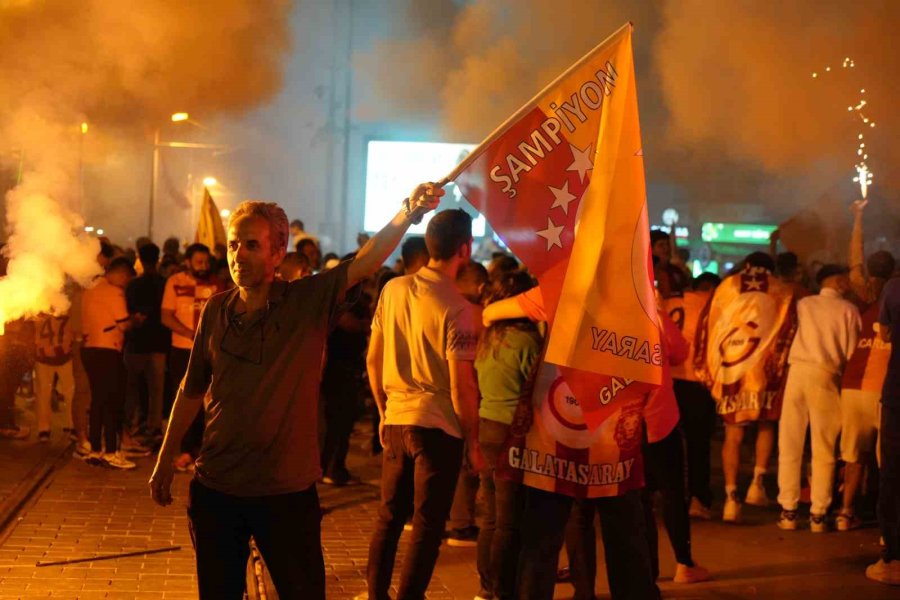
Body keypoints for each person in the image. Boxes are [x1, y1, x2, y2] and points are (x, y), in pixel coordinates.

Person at [149, 183, 443, 600]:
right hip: (216, 489)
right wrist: (164, 460)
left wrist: (408, 211)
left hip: (284, 494)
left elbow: (366, 261)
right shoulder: (216, 310)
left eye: (251, 245)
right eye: (234, 245)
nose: (238, 256)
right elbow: (191, 389)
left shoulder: (306, 300)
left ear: (276, 251)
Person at [483, 286, 657, 600]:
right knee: (627, 540)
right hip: (613, 438)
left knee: (542, 539)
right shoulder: (634, 291)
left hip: (555, 436)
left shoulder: (560, 286)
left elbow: (489, 313)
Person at [364, 209, 484, 600]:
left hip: (397, 420)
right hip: (438, 428)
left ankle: (376, 594)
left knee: (388, 519)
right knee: (428, 526)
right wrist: (474, 442)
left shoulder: (393, 290)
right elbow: (461, 385)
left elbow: (373, 359)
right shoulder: (460, 309)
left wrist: (384, 412)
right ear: (464, 249)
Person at [695, 252, 798, 523]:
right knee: (765, 424)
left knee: (733, 433)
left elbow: (708, 325)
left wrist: (708, 369)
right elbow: (789, 329)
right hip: (764, 370)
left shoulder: (727, 286)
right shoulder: (781, 290)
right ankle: (757, 483)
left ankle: (731, 499)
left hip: (733, 369)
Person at [776, 265, 860, 532]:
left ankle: (788, 511)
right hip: (826, 375)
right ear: (835, 280)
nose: (848, 283)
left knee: (789, 442)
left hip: (796, 373)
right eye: (845, 278)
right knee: (823, 447)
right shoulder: (848, 310)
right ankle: (818, 514)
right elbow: (851, 353)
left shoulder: (803, 304)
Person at [473, 270, 541, 600]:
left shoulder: (488, 337)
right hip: (513, 433)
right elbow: (539, 388)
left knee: (491, 518)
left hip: (486, 425)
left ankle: (486, 586)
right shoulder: (527, 341)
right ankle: (502, 589)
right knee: (510, 521)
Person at [838, 199, 894, 531]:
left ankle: (846, 512)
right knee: (886, 459)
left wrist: (857, 218)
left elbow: (853, 262)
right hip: (883, 390)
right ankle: (886, 524)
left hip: (852, 385)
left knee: (852, 455)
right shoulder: (895, 294)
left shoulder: (863, 294)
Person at [161, 242, 223, 471]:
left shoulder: (217, 284)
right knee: (187, 400)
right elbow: (166, 316)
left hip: (210, 351)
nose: (203, 266)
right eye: (198, 262)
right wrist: (189, 333)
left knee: (209, 402)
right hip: (182, 350)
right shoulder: (175, 282)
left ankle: (204, 450)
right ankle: (186, 451)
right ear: (187, 262)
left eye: (206, 262)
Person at [667, 272, 720, 519]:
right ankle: (698, 498)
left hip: (665, 379)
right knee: (698, 444)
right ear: (710, 289)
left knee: (666, 443)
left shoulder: (670, 302)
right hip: (696, 381)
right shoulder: (712, 307)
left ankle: (667, 495)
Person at [446, 260, 491, 548]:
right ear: (481, 286)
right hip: (468, 393)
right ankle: (462, 523)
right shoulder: (477, 315)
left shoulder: (441, 307)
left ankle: (445, 518)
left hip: (437, 399)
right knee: (467, 461)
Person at [81, 257, 139, 469]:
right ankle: (112, 452)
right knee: (112, 401)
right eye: (126, 280)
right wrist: (135, 321)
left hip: (89, 349)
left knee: (97, 401)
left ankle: (95, 449)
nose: (125, 284)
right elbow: (124, 325)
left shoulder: (90, 288)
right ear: (122, 274)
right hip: (108, 351)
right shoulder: (114, 292)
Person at [320, 270, 372, 486]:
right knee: (336, 424)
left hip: (347, 370)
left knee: (343, 423)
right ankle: (331, 469)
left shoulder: (350, 302)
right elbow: (353, 324)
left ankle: (335, 467)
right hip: (337, 372)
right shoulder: (336, 304)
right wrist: (369, 320)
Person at [867, 269, 900, 584]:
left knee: (892, 475)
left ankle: (894, 557)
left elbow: (885, 335)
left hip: (898, 394)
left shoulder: (894, 288)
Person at [123, 242, 169, 447]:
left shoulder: (132, 285)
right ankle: (154, 427)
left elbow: (127, 311)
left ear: (139, 259)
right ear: (158, 259)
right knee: (156, 389)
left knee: (131, 387)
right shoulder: (165, 283)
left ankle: (129, 426)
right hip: (159, 342)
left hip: (136, 342)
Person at [33, 309, 76, 443]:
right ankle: (47, 428)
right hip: (52, 356)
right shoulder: (42, 309)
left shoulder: (40, 309)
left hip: (55, 356)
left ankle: (49, 428)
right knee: (61, 392)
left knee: (52, 393)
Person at [651, 230, 689, 299]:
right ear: (651, 249)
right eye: (661, 245)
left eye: (668, 244)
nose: (666, 248)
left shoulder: (677, 271)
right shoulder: (645, 273)